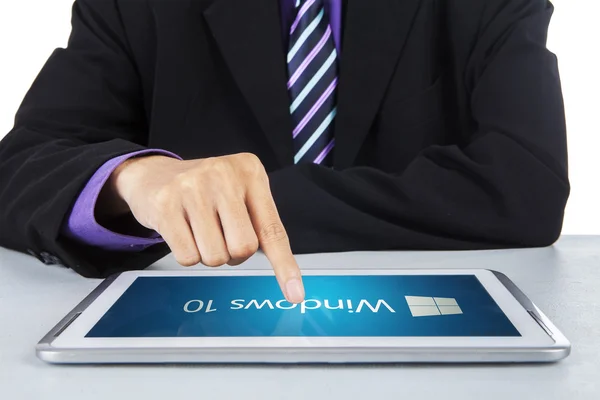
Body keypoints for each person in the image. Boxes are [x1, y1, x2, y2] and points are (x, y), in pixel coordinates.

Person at [0, 0, 569, 304]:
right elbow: (19, 166)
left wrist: (256, 202)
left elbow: (526, 184)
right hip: (190, 343)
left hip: (432, 337)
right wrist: (133, 180)